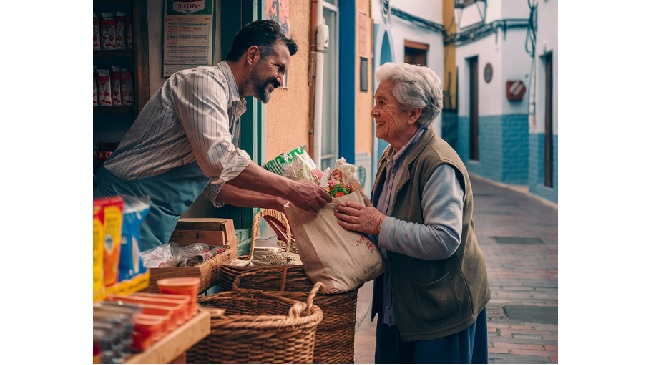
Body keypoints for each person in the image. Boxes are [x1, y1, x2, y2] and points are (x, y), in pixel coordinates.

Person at [94, 20, 332, 252]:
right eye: (278, 67)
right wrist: (290, 188)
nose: (280, 80)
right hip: (119, 207)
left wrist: (274, 202)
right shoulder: (203, 84)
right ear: (252, 55)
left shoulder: (232, 107)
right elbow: (221, 161)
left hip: (151, 221)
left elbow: (214, 186)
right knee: (111, 291)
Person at [334, 62, 491, 364]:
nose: (373, 111)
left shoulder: (438, 164)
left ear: (413, 113)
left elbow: (444, 239)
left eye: (382, 103)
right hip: (401, 309)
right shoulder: (392, 155)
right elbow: (385, 218)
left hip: (440, 312)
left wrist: (378, 224)